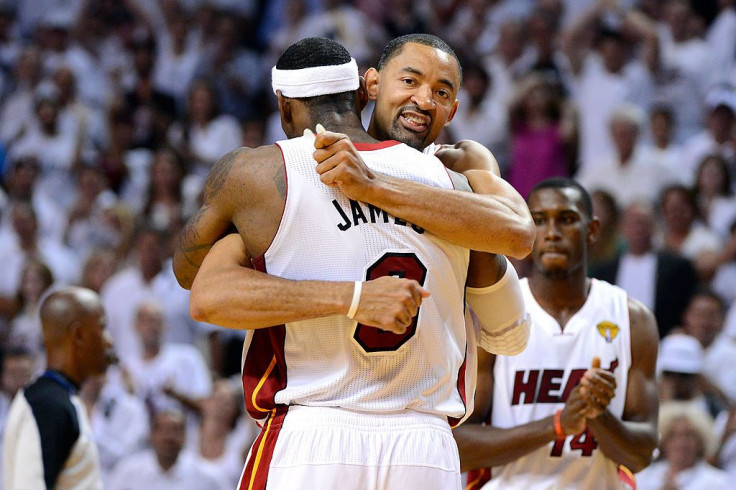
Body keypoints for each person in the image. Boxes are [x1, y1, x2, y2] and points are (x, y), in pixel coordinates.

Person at [174, 37, 533, 489]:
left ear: (284, 109)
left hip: (314, 431)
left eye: (441, 92)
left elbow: (199, 287)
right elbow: (513, 299)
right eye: (410, 81)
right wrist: (359, 295)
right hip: (425, 442)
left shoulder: (265, 173)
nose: (423, 100)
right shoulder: (457, 185)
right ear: (367, 88)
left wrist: (374, 187)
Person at [454, 178, 660, 489]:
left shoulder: (632, 319)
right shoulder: (496, 311)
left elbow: (642, 455)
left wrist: (599, 416)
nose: (551, 233)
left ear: (592, 231)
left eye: (566, 220)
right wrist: (558, 425)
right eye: (539, 221)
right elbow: (455, 446)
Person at [3, 286, 116, 490]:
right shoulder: (48, 406)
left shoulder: (57, 398)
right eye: (102, 328)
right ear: (79, 335)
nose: (110, 341)